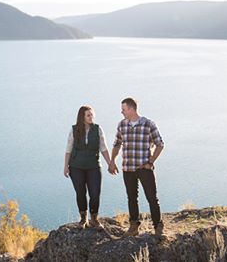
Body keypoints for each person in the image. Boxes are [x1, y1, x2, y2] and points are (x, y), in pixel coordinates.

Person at [108, 97, 165, 237]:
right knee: (131, 198)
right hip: (128, 168)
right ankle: (134, 227)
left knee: (152, 198)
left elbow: (160, 144)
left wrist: (150, 162)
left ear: (132, 109)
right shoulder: (122, 125)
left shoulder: (148, 124)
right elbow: (117, 144)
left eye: (124, 110)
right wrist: (112, 161)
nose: (122, 112)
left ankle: (158, 227)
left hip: (144, 168)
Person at [64, 105, 112, 229]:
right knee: (80, 193)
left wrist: (110, 163)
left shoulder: (98, 129)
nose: (91, 117)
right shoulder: (74, 130)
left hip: (94, 166)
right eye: (88, 115)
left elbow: (103, 148)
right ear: (82, 117)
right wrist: (65, 166)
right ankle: (83, 219)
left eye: (92, 114)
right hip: (76, 167)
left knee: (95, 193)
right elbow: (68, 149)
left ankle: (94, 219)